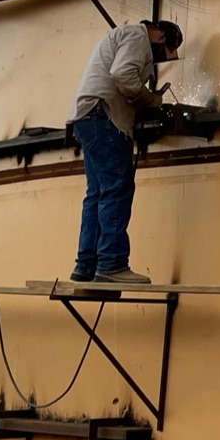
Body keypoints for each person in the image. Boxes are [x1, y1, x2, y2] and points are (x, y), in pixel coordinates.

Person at [67, 19, 181, 284]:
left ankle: (86, 265)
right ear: (161, 38)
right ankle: (112, 263)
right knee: (117, 189)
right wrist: (151, 100)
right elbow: (122, 75)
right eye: (163, 55)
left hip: (87, 119)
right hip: (104, 120)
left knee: (97, 194)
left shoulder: (121, 36)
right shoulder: (137, 37)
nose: (156, 62)